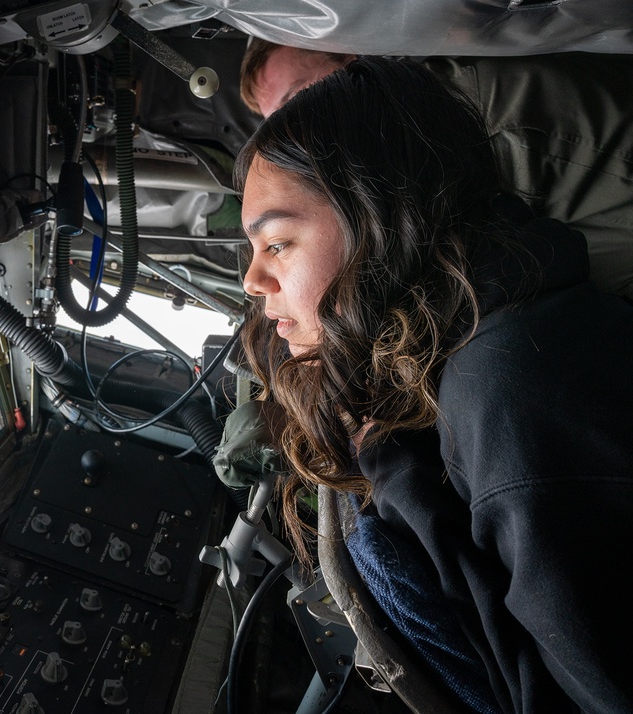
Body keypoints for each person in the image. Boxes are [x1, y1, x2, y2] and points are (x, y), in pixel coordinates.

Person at [234, 56, 633, 713]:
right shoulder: (463, 353)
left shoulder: (512, 403)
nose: (252, 282)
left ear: (378, 220)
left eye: (276, 243)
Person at [239, 39, 633, 301]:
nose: (302, 133)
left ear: (354, 61)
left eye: (301, 99)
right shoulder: (417, 116)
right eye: (284, 122)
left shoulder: (469, 124)